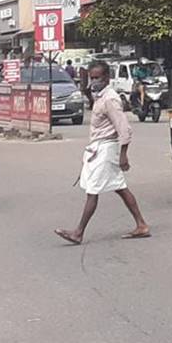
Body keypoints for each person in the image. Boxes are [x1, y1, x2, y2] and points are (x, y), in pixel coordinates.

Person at [55, 60, 150, 244]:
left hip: (106, 149)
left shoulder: (110, 98)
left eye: (97, 77)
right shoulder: (100, 96)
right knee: (120, 188)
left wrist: (123, 154)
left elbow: (124, 128)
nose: (94, 81)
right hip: (99, 148)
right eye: (92, 78)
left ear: (107, 78)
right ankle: (141, 224)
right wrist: (86, 91)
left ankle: (78, 232)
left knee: (93, 190)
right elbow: (98, 111)